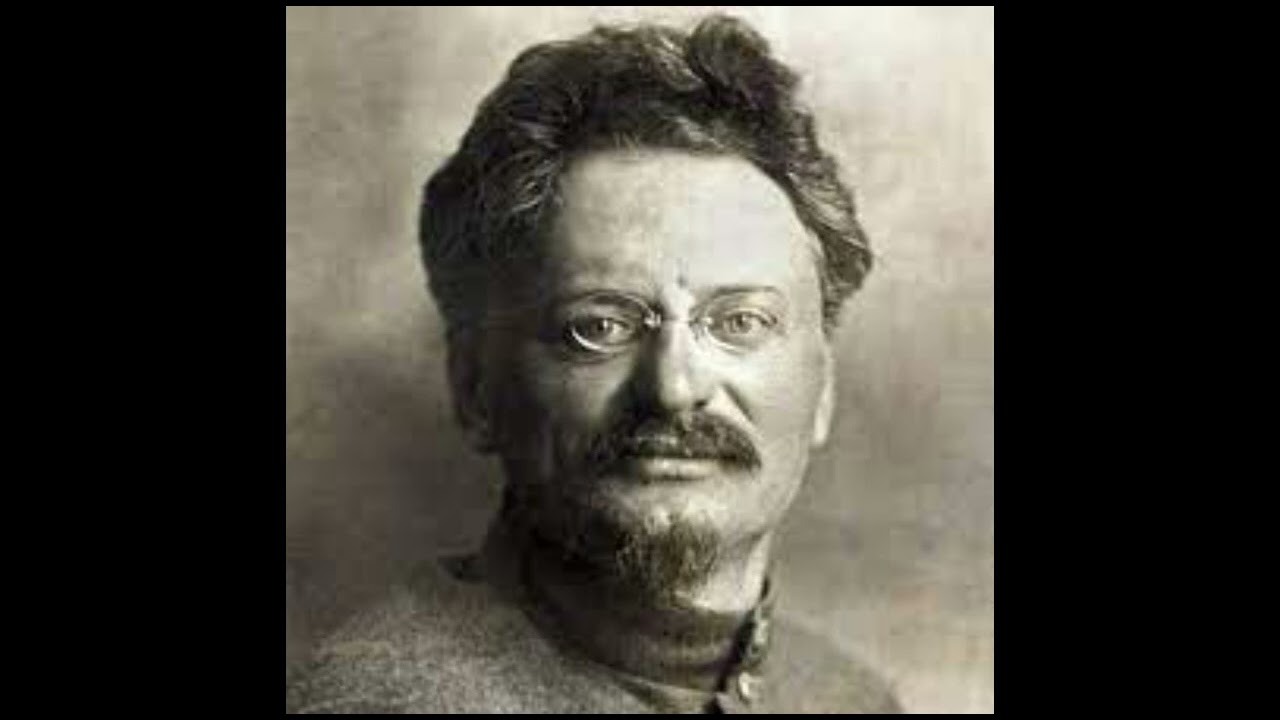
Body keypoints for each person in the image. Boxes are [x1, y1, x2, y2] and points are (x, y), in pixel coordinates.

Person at [287, 14, 902, 714]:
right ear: (475, 387)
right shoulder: (383, 703)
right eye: (600, 327)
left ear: (823, 389)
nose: (675, 387)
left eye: (741, 322)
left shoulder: (847, 698)